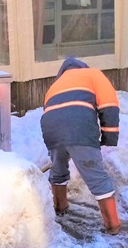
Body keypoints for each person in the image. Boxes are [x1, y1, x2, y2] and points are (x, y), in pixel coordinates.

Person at [40, 57, 121, 234]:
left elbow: (50, 112)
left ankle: (60, 207)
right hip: (79, 127)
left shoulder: (54, 86)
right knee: (96, 176)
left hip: (51, 129)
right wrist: (109, 136)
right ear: (82, 68)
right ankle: (113, 225)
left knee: (58, 169)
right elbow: (109, 105)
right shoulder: (92, 74)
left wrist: (59, 145)